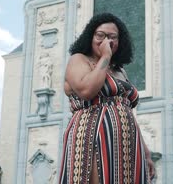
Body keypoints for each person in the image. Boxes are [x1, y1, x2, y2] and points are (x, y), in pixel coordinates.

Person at [58, 13, 156, 184]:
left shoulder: (120, 71)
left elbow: (127, 109)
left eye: (112, 37)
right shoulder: (79, 60)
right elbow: (86, 90)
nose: (106, 41)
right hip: (92, 134)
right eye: (100, 35)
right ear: (90, 37)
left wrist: (145, 151)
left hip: (126, 141)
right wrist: (105, 56)